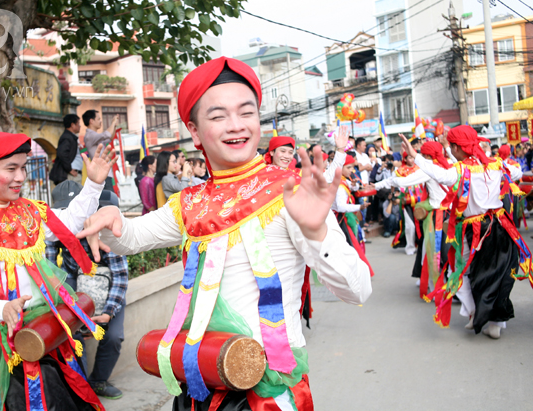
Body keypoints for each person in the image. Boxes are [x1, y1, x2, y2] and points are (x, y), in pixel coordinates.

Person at [77, 56, 372, 410]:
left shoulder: (289, 193)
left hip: (268, 391)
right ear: (195, 131)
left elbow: (358, 291)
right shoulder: (191, 202)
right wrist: (111, 219)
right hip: (198, 380)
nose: (236, 126)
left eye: (247, 113)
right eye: (218, 116)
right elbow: (132, 237)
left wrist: (317, 231)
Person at [0, 132, 116, 410]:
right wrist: (2, 309)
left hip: (52, 332)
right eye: (11, 169)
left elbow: (69, 221)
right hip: (12, 346)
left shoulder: (28, 212)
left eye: (23, 168)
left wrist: (93, 184)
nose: (20, 177)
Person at [400, 126, 530, 339]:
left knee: (464, 272)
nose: (450, 149)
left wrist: (415, 157)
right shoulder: (496, 164)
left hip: (477, 230)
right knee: (499, 274)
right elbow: (516, 172)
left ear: (457, 147)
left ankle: (475, 313)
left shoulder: (461, 170)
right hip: (500, 225)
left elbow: (441, 175)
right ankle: (492, 320)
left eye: (452, 146)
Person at [46, 183, 128, 400]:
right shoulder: (56, 229)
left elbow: (119, 278)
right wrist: (66, 305)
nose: (70, 220)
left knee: (113, 336)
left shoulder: (108, 233)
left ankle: (99, 381)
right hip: (74, 277)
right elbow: (49, 266)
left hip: (107, 279)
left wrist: (108, 312)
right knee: (71, 332)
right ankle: (80, 385)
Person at [370, 141, 451, 298]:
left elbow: (402, 182)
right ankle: (444, 286)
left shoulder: (428, 170)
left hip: (438, 217)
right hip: (450, 215)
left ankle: (439, 289)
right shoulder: (448, 165)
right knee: (444, 251)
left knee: (434, 252)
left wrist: (378, 185)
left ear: (426, 156)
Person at [331, 154, 374, 277]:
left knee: (353, 244)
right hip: (341, 219)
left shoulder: (343, 180)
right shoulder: (339, 185)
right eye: (349, 168)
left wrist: (354, 184)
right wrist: (359, 207)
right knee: (350, 246)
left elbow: (351, 188)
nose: (352, 171)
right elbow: (340, 206)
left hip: (345, 218)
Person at [83, 109, 120, 192]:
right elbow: (107, 134)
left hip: (104, 173)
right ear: (91, 121)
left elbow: (109, 138)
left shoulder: (95, 136)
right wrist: (113, 122)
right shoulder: (90, 136)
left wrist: (114, 126)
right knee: (108, 202)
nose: (101, 121)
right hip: (101, 175)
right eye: (99, 119)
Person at [49, 114, 82, 186]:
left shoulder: (70, 137)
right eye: (78, 123)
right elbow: (61, 153)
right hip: (70, 175)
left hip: (72, 174)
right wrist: (69, 169)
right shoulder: (67, 137)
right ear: (73, 125)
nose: (80, 126)